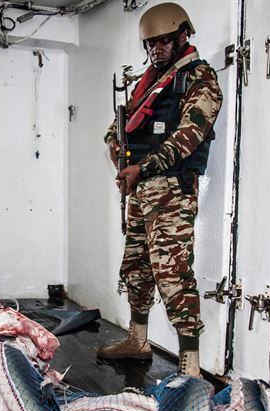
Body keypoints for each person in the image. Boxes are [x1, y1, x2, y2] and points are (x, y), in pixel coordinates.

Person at [97, 2, 222, 377]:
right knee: (136, 266)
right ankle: (138, 340)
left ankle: (190, 364)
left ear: (183, 36)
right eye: (150, 43)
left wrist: (142, 168)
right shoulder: (149, 83)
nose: (156, 49)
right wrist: (114, 143)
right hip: (141, 189)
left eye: (164, 41)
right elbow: (120, 124)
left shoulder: (200, 79)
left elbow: (187, 138)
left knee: (173, 275)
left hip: (172, 191)